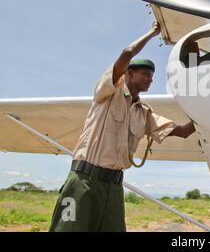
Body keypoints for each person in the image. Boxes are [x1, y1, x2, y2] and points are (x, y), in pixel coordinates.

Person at [49, 21, 196, 231]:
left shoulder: (144, 113)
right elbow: (127, 52)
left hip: (113, 188)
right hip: (83, 182)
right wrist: (154, 32)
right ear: (128, 73)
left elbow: (183, 132)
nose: (150, 79)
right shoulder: (108, 94)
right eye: (145, 74)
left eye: (152, 77)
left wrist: (209, 108)